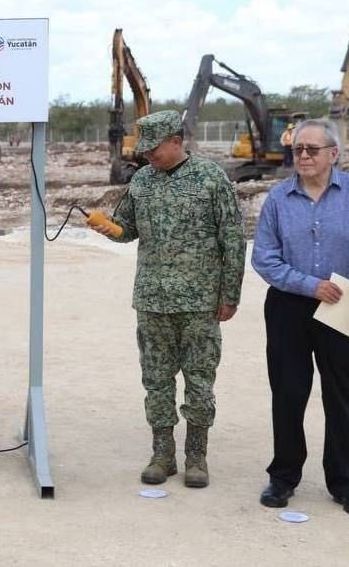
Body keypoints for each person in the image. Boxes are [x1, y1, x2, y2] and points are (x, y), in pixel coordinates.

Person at [90, 110, 245, 488]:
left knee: (199, 381)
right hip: (153, 299)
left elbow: (233, 239)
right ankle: (162, 455)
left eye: (153, 148)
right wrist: (108, 226)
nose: (147, 156)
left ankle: (196, 456)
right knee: (156, 380)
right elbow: (126, 229)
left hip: (200, 302)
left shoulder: (211, 179)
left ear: (176, 141)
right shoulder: (141, 181)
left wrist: (230, 294)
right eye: (143, 150)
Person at [252, 118, 349, 517]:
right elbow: (265, 258)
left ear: (334, 154)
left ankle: (346, 483)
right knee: (289, 392)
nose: (304, 156)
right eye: (298, 150)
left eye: (313, 149)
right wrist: (309, 285)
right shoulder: (277, 199)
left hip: (347, 305)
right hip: (289, 306)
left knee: (342, 396)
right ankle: (283, 477)